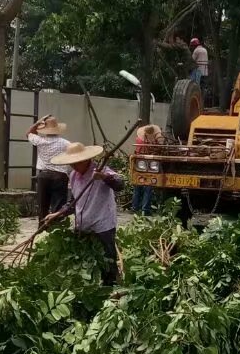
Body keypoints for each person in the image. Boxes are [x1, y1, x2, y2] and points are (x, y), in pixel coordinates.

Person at [44, 142, 124, 284]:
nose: (74, 166)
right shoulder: (74, 176)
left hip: (102, 224)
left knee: (107, 260)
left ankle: (111, 286)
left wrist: (104, 177)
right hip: (82, 224)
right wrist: (58, 213)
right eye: (72, 163)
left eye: (77, 163)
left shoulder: (101, 170)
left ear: (86, 160)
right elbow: (73, 202)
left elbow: (120, 185)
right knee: (85, 259)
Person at [26, 115, 70, 229]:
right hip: (60, 176)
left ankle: (41, 229)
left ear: (45, 130)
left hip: (44, 176)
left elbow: (28, 133)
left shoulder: (40, 141)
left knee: (43, 206)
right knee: (58, 206)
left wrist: (37, 123)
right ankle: (57, 229)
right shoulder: (65, 143)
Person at [132, 123, 164, 217]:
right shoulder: (151, 142)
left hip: (139, 164)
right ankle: (145, 209)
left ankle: (135, 208)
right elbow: (160, 148)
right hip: (150, 165)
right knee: (148, 187)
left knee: (138, 186)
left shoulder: (139, 140)